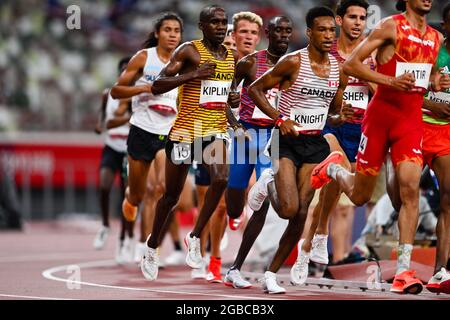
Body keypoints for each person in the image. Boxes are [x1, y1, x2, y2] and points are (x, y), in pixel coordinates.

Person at [311, 0, 443, 294]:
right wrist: (389, 81)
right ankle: (334, 167)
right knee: (360, 196)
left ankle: (403, 271)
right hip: (379, 119)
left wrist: (436, 81)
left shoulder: (436, 38)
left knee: (410, 191)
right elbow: (351, 64)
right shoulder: (391, 26)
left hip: (409, 122)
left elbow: (427, 78)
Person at [247, 6, 347, 293]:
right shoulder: (292, 62)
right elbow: (255, 89)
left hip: (314, 142)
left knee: (301, 213)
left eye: (332, 30)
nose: (329, 35)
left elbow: (334, 114)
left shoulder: (338, 70)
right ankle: (268, 182)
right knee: (288, 208)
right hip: (285, 141)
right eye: (323, 30)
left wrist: (344, 116)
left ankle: (271, 274)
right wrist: (280, 119)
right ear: (310, 32)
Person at [140, 5, 239, 281]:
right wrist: (194, 74)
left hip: (214, 130)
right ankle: (151, 246)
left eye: (224, 22)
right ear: (202, 25)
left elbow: (221, 98)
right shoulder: (189, 50)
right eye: (215, 22)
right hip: (185, 132)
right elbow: (158, 85)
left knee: (221, 178)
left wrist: (233, 111)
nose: (220, 27)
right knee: (170, 197)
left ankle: (195, 237)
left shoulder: (231, 57)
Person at [295, 0, 374, 282]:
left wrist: (367, 75)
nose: (358, 22)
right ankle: (314, 240)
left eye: (362, 18)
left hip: (361, 129)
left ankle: (312, 242)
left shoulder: (372, 53)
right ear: (339, 21)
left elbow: (379, 91)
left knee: (340, 187)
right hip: (329, 125)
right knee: (335, 165)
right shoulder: (325, 52)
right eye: (352, 17)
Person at [223, 15, 293, 289]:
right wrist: (235, 125)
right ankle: (233, 214)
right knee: (234, 199)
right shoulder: (249, 63)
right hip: (246, 133)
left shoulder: (295, 64)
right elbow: (224, 99)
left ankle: (236, 267)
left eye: (288, 31)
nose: (284, 36)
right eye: (279, 31)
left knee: (263, 198)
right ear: (269, 32)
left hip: (272, 137)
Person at [110, 11, 183, 240]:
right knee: (138, 194)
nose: (172, 35)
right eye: (167, 30)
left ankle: (152, 245)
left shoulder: (184, 60)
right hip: (141, 130)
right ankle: (131, 199)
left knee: (162, 187)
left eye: (176, 31)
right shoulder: (144, 57)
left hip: (167, 132)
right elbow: (116, 91)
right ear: (157, 33)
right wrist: (142, 88)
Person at [92, 57, 132, 254]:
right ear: (119, 73)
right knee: (104, 184)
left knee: (127, 196)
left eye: (129, 70)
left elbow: (128, 120)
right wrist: (99, 124)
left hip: (128, 147)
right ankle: (105, 225)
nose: (127, 73)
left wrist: (118, 121)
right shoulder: (107, 94)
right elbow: (103, 117)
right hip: (111, 146)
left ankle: (124, 239)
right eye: (123, 70)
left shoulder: (134, 95)